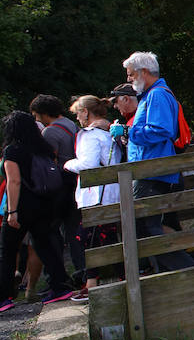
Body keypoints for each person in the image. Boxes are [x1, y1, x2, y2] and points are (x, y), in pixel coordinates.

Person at [113, 52, 194, 272]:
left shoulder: (157, 95)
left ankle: (186, 271)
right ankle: (176, 272)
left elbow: (161, 130)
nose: (130, 80)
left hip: (152, 170)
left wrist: (128, 131)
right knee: (144, 226)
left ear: (143, 72)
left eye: (131, 75)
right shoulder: (152, 95)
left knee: (144, 226)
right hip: (148, 169)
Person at [0, 112, 77, 309]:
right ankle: (60, 286)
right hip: (44, 204)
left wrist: (12, 211)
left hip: (22, 206)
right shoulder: (44, 149)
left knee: (7, 251)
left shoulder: (12, 151)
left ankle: (3, 296)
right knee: (45, 246)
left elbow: (14, 181)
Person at [63, 96, 119, 297]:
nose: (77, 117)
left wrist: (67, 164)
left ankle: (93, 282)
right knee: (107, 237)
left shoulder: (89, 135)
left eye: (78, 113)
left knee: (87, 238)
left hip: (96, 195)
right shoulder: (107, 133)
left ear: (86, 112)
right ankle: (107, 278)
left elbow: (88, 164)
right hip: (111, 193)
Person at [28, 94, 84, 289]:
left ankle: (60, 278)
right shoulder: (69, 123)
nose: (37, 120)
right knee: (73, 230)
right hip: (75, 183)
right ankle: (82, 271)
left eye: (36, 115)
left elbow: (48, 164)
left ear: (44, 114)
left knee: (51, 231)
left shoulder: (50, 133)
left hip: (61, 186)